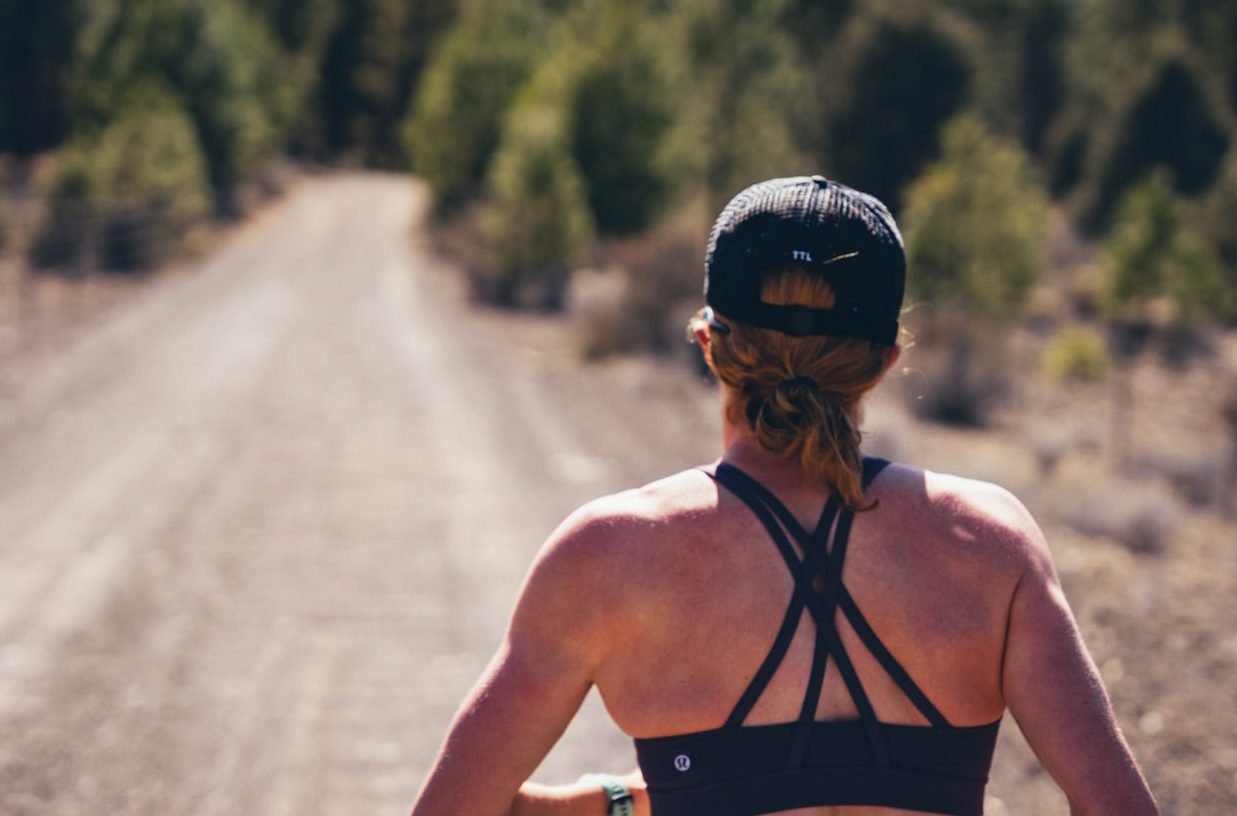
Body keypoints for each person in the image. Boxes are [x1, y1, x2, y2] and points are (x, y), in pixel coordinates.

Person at [413, 175, 1157, 816]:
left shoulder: (606, 554)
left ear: (707, 342)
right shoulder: (992, 542)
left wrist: (627, 800)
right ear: (884, 362)